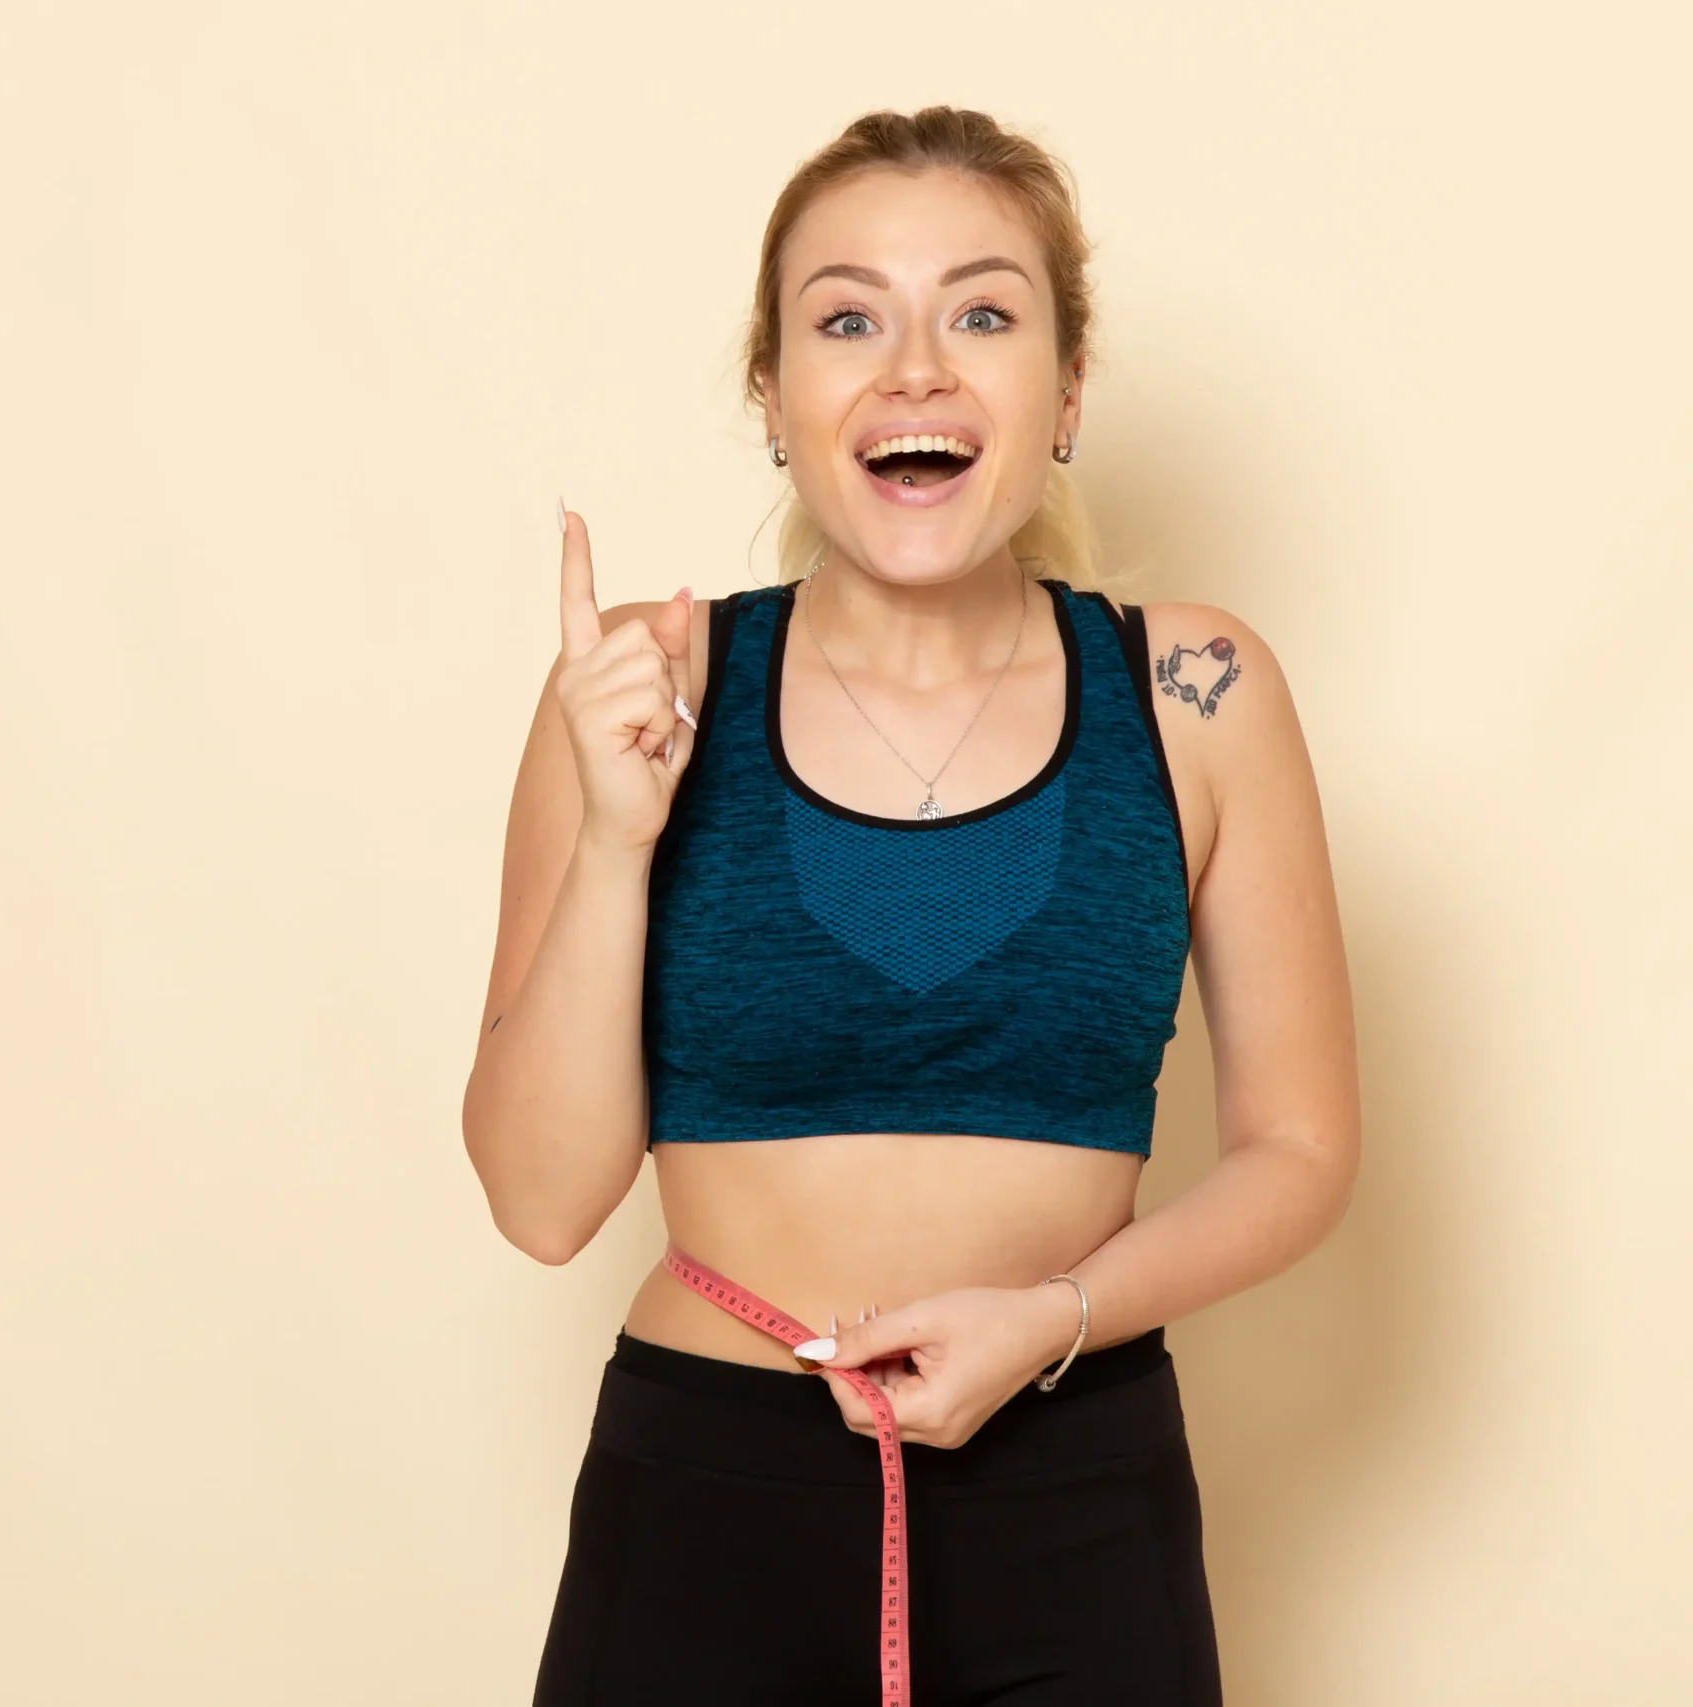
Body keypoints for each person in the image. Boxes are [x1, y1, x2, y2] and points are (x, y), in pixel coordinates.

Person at [461, 107, 1359, 1705]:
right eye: (849, 317)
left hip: (1076, 1480)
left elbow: (1301, 1150)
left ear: (1067, 390)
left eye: (986, 313)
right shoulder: (642, 695)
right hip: (703, 1499)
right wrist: (617, 836)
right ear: (776, 393)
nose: (916, 370)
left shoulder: (1196, 693)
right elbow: (541, 1201)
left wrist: (1055, 1317)